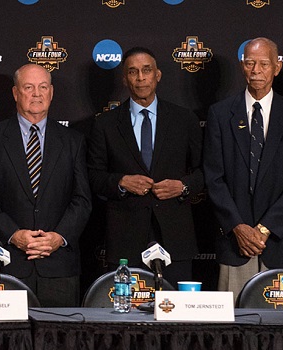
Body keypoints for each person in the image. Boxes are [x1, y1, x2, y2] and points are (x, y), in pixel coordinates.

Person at [203, 38, 283, 294]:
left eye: (264, 64)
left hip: (281, 243)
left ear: (277, 67)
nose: (256, 70)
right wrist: (238, 227)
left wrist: (264, 229)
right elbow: (214, 178)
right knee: (233, 329)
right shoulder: (220, 114)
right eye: (250, 63)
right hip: (235, 244)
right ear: (242, 66)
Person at [0, 64, 91, 307]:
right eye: (28, 87)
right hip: (8, 262)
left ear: (51, 93)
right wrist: (13, 235)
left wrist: (59, 237)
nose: (36, 94)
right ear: (16, 93)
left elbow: (82, 200)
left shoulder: (74, 141)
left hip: (59, 265)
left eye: (42, 87)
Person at [87, 47, 203, 284]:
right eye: (133, 71)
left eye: (146, 70)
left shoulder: (184, 119)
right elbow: (93, 176)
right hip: (125, 240)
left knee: (176, 315)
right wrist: (120, 182)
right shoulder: (105, 124)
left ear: (157, 75)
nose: (140, 77)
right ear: (124, 78)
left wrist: (182, 186)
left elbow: (207, 172)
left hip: (175, 237)